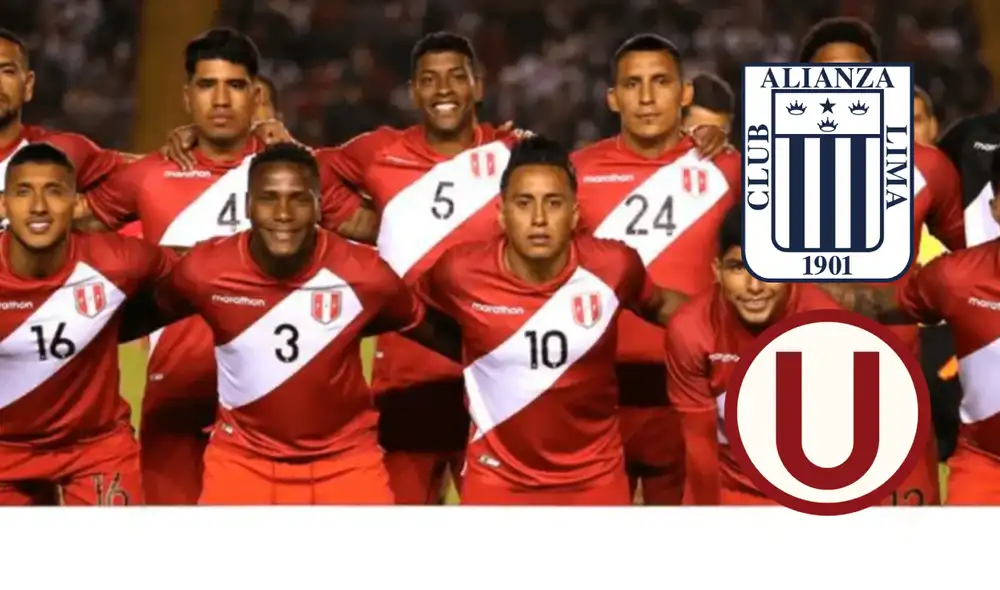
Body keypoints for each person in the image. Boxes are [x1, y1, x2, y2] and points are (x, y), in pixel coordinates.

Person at [77, 28, 366, 505]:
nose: (221, 99)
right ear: (187, 96)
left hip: (275, 407)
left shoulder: (292, 173)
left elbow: (377, 217)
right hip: (177, 397)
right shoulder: (149, 175)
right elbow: (65, 218)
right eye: (207, 85)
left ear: (256, 96)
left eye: (234, 85)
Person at [149, 143, 458, 505]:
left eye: (298, 199)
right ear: (248, 205)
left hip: (345, 461)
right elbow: (137, 318)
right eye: (268, 198)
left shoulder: (364, 274)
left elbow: (431, 329)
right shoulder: (207, 270)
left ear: (318, 205)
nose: (283, 213)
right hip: (242, 461)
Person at [417, 136, 686, 505]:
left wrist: (735, 326)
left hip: (595, 477)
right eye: (524, 203)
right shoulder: (460, 271)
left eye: (553, 203)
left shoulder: (614, 267)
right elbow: (410, 311)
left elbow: (663, 306)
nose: (539, 219)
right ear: (502, 212)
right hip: (497, 477)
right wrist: (467, 350)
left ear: (575, 214)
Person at [667, 206, 940, 506]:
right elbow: (699, 445)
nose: (755, 286)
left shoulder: (828, 325)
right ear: (717, 272)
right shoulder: (691, 330)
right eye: (738, 268)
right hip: (730, 488)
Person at [571, 33, 740, 505]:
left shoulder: (730, 169)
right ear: (613, 97)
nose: (646, 98)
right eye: (633, 84)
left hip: (693, 397)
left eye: (661, 82)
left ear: (686, 94)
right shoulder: (575, 173)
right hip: (596, 399)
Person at [821, 156, 1000, 505]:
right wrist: (786, 277)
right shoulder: (956, 278)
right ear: (995, 209)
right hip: (985, 467)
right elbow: (875, 303)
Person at [0, 143, 172, 505]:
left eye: (54, 192)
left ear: (78, 204)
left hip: (96, 448)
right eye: (23, 192)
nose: (38, 207)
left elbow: (200, 270)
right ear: (3, 205)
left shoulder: (116, 261)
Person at [0, 28, 127, 229]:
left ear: (28, 85)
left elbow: (156, 173)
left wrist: (192, 138)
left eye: (6, 71)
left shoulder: (63, 150)